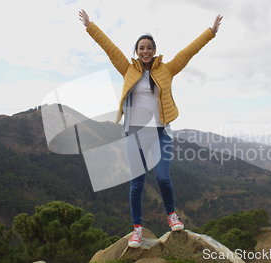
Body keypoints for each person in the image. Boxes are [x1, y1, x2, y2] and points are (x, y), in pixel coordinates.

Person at [79, 9, 222, 248]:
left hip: (160, 133)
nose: (145, 51)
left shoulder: (167, 69)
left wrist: (211, 32)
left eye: (149, 48)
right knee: (137, 183)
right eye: (141, 48)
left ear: (154, 51)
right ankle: (137, 229)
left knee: (163, 177)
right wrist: (89, 26)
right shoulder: (128, 69)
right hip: (135, 134)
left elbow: (189, 52)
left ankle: (171, 215)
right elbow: (108, 46)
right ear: (136, 51)